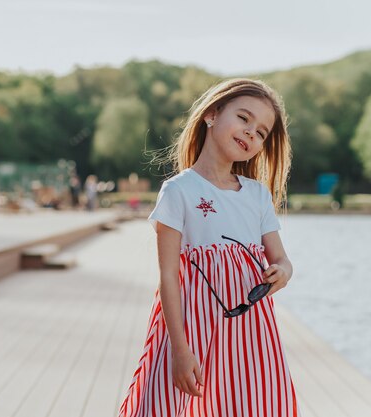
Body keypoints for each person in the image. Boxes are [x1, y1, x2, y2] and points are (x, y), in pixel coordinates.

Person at [118, 79, 300, 416]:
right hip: (193, 329)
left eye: (261, 133)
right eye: (244, 118)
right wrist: (179, 349)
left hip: (250, 334)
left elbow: (282, 260)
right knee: (172, 405)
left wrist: (282, 273)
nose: (250, 133)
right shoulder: (179, 191)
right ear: (212, 114)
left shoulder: (257, 195)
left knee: (250, 405)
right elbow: (168, 277)